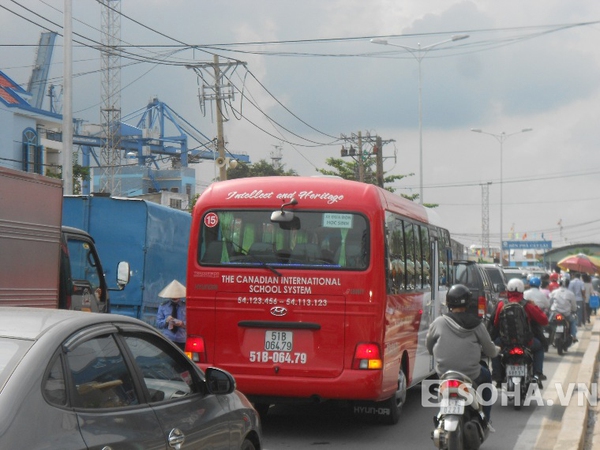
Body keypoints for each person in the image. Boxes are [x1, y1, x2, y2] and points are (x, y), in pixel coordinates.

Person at [427, 284, 499, 427]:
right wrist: (496, 350)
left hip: (445, 374)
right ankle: (485, 420)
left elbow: (429, 345)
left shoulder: (439, 322)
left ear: (448, 302)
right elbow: (490, 350)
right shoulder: (477, 325)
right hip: (471, 374)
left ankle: (440, 416)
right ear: (468, 302)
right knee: (487, 380)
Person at [490, 278, 548, 382]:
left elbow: (495, 323)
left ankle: (497, 374)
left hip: (504, 342)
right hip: (526, 342)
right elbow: (544, 320)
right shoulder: (528, 305)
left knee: (494, 349)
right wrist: (535, 306)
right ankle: (537, 374)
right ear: (522, 291)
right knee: (539, 348)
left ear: (508, 291)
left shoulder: (501, 305)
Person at [156, 279, 187, 350]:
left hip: (182, 339)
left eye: (176, 295)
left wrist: (182, 323)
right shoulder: (163, 306)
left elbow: (193, 324)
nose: (174, 297)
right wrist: (166, 321)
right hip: (168, 339)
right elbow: (158, 324)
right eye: (172, 295)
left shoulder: (186, 306)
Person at [550, 278, 579, 342]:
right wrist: (574, 310)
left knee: (549, 322)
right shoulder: (570, 293)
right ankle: (573, 336)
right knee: (573, 321)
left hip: (555, 313)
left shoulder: (554, 292)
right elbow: (574, 306)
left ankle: (548, 335)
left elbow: (550, 302)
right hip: (566, 314)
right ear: (568, 284)